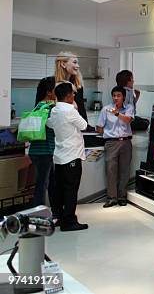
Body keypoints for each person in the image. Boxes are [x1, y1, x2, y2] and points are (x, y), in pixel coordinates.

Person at [46, 82, 89, 232]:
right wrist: (76, 108)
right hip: (72, 155)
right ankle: (69, 221)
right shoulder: (70, 110)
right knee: (71, 189)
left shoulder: (55, 110)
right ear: (68, 95)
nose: (74, 95)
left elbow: (50, 124)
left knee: (60, 189)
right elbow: (83, 125)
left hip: (59, 155)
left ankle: (59, 217)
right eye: (73, 93)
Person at [96, 86, 134, 208]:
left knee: (125, 170)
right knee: (111, 170)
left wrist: (117, 113)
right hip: (111, 142)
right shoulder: (106, 109)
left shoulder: (129, 108)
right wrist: (108, 133)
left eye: (118, 95)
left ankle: (122, 197)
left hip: (126, 142)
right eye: (114, 95)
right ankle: (112, 198)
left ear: (123, 97)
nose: (116, 98)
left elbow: (128, 120)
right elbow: (99, 127)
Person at [28, 77, 59, 217]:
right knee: (42, 185)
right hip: (44, 151)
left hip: (38, 151)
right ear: (49, 92)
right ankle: (36, 216)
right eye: (55, 89)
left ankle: (55, 212)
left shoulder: (37, 106)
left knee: (50, 184)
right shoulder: (49, 107)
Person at [55, 52, 89, 126]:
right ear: (63, 64)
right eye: (75, 62)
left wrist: (86, 125)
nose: (78, 66)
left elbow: (81, 108)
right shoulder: (52, 84)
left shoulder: (78, 85)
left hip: (78, 126)